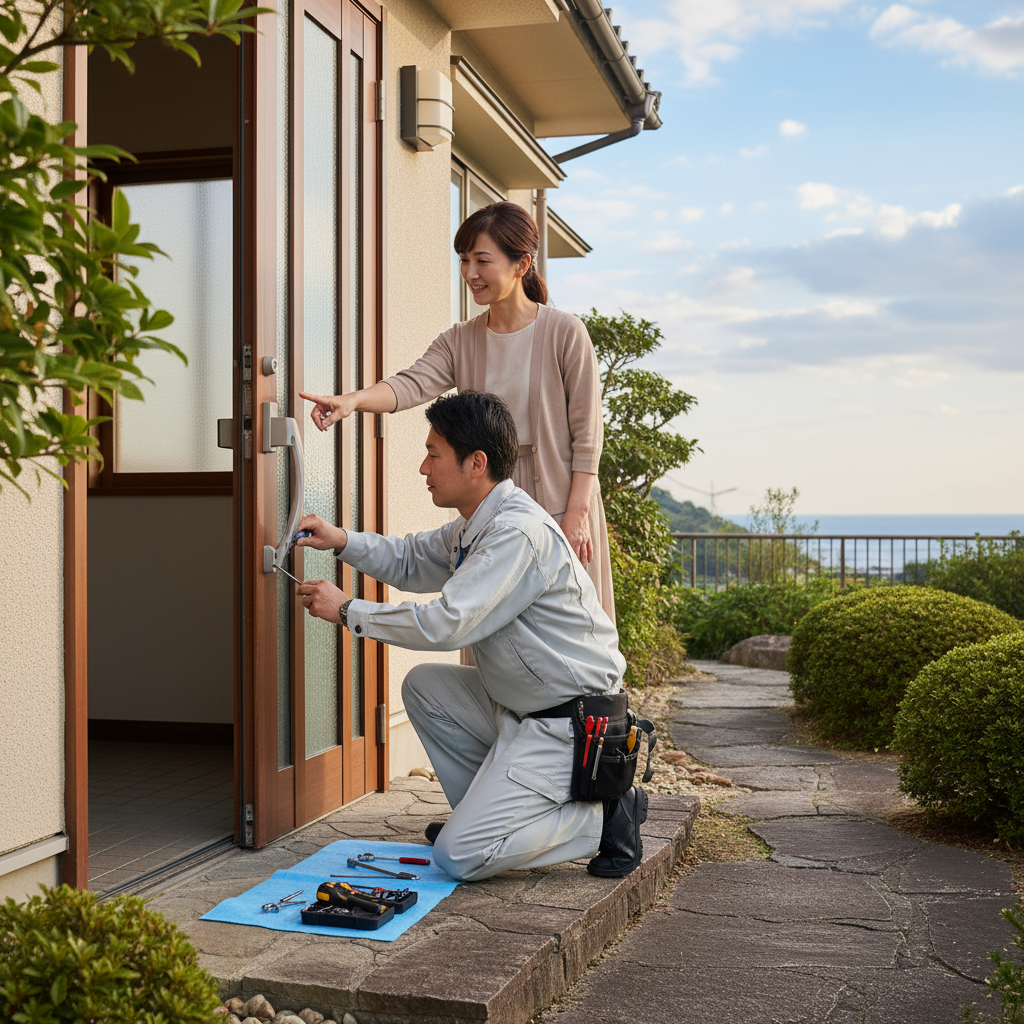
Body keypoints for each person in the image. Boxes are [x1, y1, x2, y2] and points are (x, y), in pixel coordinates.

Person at [295, 391, 646, 883]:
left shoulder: (514, 534)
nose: (423, 467)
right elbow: (410, 559)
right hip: (522, 709)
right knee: (425, 687)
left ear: (475, 462)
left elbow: (446, 623)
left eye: (433, 453)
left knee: (458, 857)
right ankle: (482, 821)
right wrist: (342, 541)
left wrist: (348, 610)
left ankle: (603, 816)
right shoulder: (475, 525)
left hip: (569, 723)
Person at [299, 201, 615, 621]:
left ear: (522, 265)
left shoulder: (564, 332)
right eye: (464, 261)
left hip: (562, 504)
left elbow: (587, 434)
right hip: (491, 505)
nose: (470, 274)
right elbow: (410, 383)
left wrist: (577, 512)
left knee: (569, 625)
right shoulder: (460, 339)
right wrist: (353, 401)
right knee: (485, 622)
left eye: (482, 261)